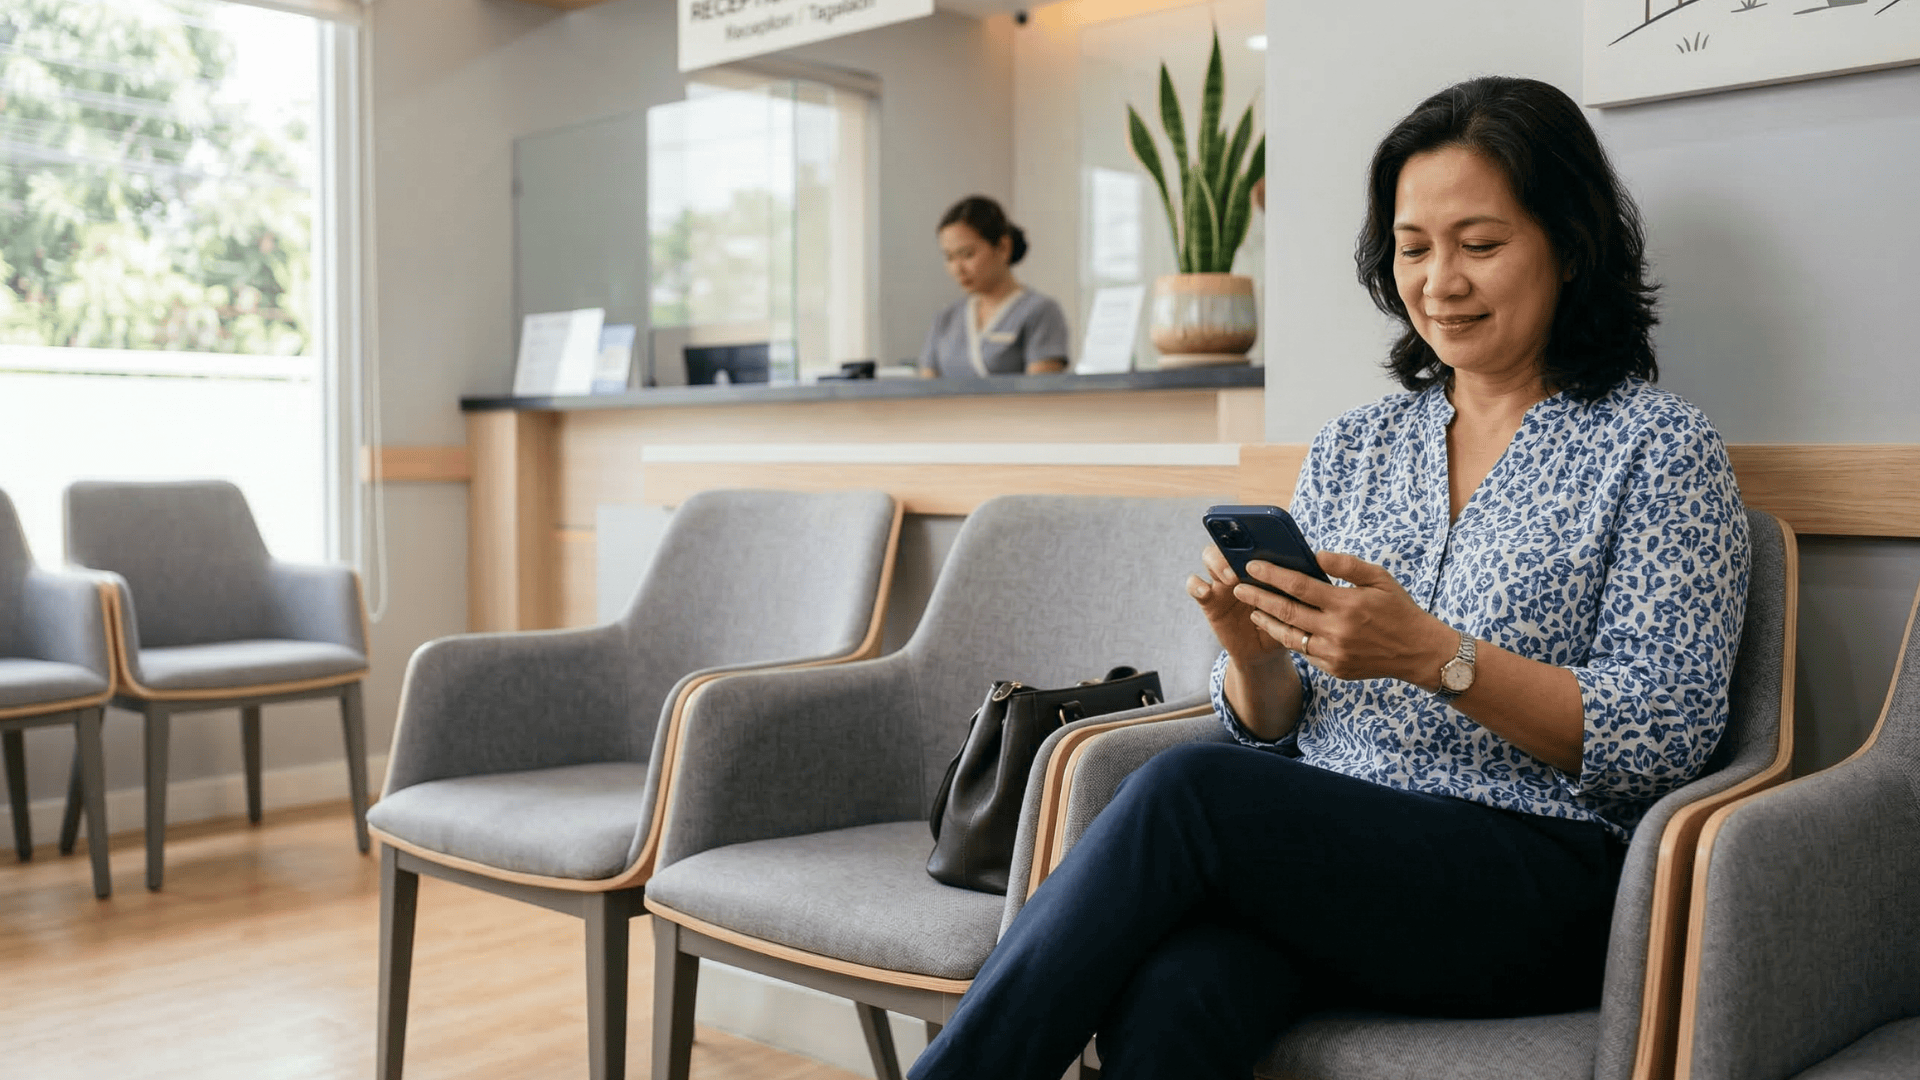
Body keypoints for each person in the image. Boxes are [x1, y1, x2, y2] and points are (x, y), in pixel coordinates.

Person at [908, 76, 1751, 1080]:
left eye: (1480, 245)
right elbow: (1276, 722)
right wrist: (1251, 650)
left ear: (1569, 245)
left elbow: (1668, 734)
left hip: (1540, 878)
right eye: (1414, 246)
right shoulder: (1354, 447)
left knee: (1188, 790)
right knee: (1178, 995)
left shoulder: (1659, 449)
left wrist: (1439, 658)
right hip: (1327, 859)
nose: (1441, 279)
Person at [918, 195, 1071, 377]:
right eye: (950, 258)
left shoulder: (1040, 311)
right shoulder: (946, 319)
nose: (958, 268)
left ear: (1003, 248)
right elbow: (926, 390)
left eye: (967, 254)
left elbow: (1041, 394)